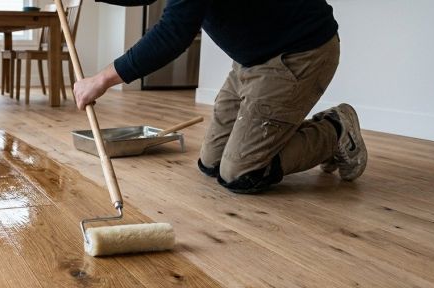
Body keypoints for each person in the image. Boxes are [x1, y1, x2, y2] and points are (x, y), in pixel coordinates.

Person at [73, 0, 367, 194]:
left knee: (241, 173)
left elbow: (173, 33)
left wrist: (101, 80)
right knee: (210, 164)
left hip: (299, 53)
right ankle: (280, 130)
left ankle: (335, 129)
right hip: (251, 60)